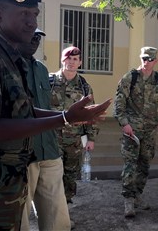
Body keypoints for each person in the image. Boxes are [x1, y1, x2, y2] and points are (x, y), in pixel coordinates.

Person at [0, 0, 108, 230]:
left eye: (35, 14)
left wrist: (70, 116)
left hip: (9, 174)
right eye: (24, 13)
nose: (32, 22)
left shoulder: (9, 57)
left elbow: (21, 111)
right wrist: (64, 119)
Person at [18, 29, 71, 230]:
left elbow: (46, 107)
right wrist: (66, 117)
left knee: (57, 218)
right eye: (30, 35)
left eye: (38, 37)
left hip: (48, 149)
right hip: (23, 151)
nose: (35, 40)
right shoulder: (8, 66)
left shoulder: (41, 69)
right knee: (20, 217)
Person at [114, 46, 158, 218]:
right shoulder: (130, 78)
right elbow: (119, 103)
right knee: (130, 164)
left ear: (155, 61)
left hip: (149, 131)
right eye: (144, 58)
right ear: (140, 58)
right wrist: (124, 123)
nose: (146, 62)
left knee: (145, 164)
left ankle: (137, 195)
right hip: (131, 130)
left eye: (150, 59)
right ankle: (128, 200)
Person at [50, 46, 100, 204]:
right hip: (52, 137)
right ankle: (51, 208)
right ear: (61, 59)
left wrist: (91, 138)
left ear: (80, 63)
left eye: (75, 59)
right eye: (68, 58)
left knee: (70, 175)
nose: (71, 62)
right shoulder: (49, 81)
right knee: (51, 175)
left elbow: (92, 113)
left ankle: (65, 208)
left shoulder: (85, 86)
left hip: (74, 140)